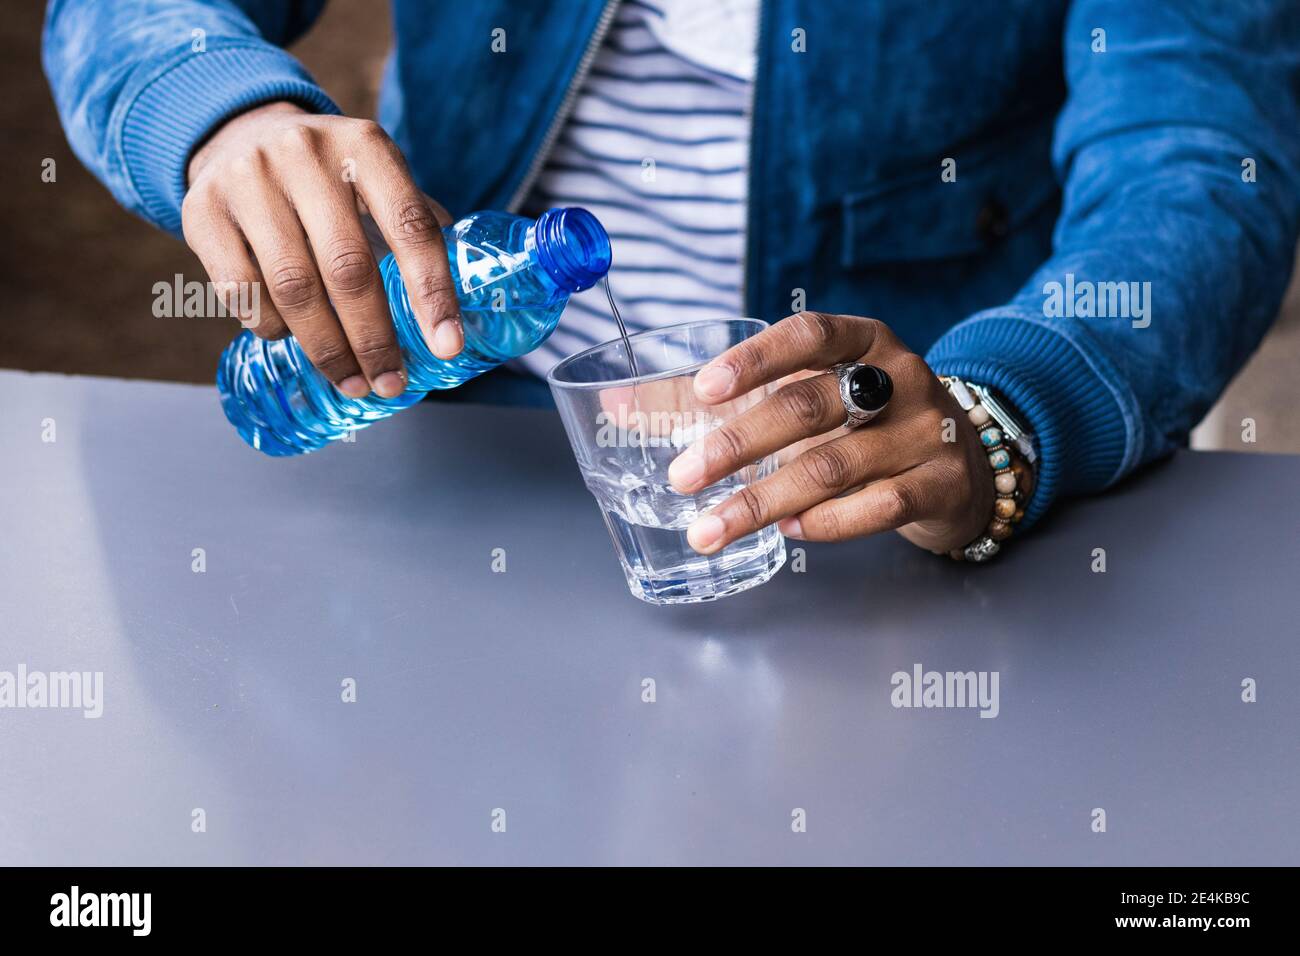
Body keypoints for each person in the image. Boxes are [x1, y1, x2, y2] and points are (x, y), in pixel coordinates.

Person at [42, 0, 1300, 561]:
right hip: (448, 450)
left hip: (866, 494)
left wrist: (998, 411)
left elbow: (1196, 164)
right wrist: (216, 104)